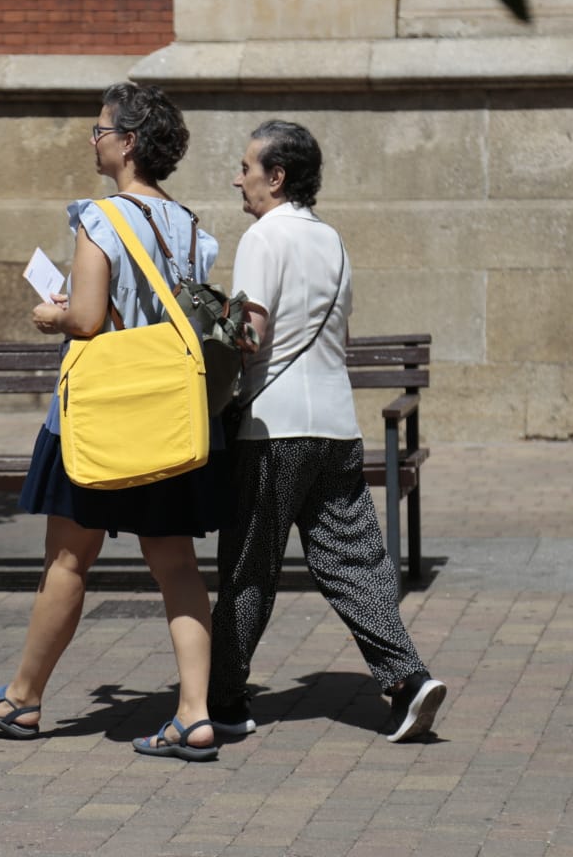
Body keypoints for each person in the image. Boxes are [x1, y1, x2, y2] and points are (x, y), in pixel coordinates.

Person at [0, 83, 224, 761]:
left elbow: (88, 318)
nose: (94, 139)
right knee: (178, 565)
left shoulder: (101, 218)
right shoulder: (191, 228)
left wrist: (54, 313)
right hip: (166, 419)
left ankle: (22, 698)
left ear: (129, 142)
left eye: (100, 129)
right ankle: (194, 713)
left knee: (70, 559)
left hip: (101, 416)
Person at [208, 120, 447, 743]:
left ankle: (224, 702)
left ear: (276, 177)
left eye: (246, 167)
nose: (239, 178)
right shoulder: (332, 240)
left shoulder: (264, 236)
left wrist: (209, 319)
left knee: (249, 566)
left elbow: (251, 335)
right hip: (336, 425)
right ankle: (407, 678)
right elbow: (333, 336)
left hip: (272, 428)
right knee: (353, 560)